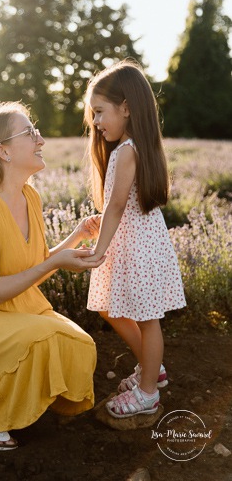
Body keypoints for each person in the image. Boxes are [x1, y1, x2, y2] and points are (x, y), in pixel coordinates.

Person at [0, 103, 102, 451]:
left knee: (80, 344)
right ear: (2, 150)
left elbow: (33, 264)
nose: (40, 138)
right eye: (30, 132)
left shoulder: (29, 196)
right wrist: (57, 264)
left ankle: (25, 401)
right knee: (40, 339)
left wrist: (77, 236)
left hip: (19, 307)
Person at [83, 60, 186, 418]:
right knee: (108, 306)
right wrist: (103, 225)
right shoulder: (130, 147)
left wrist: (98, 251)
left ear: (126, 107)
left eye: (100, 112)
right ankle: (151, 365)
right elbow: (120, 205)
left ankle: (147, 394)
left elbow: (115, 207)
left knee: (147, 318)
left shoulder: (127, 151)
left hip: (136, 246)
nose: (96, 122)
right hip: (136, 239)